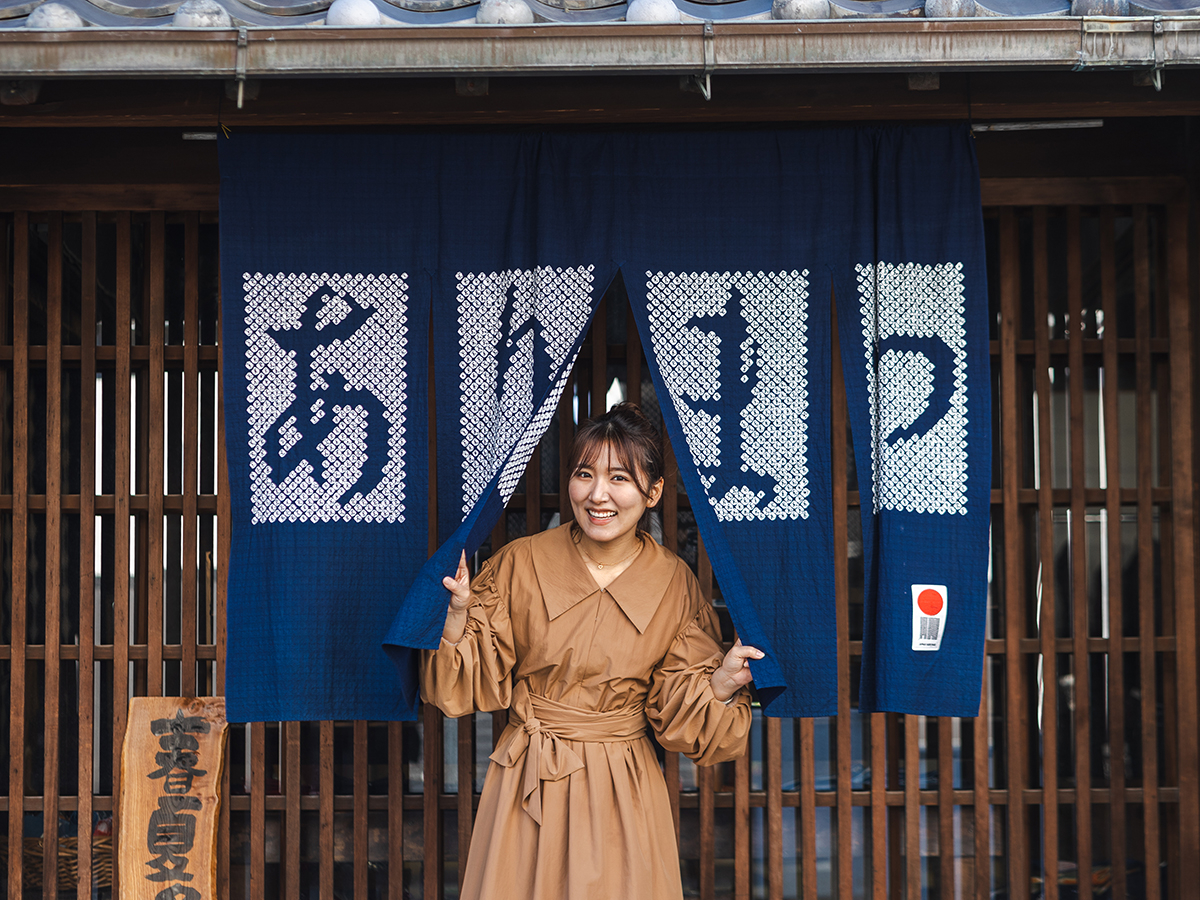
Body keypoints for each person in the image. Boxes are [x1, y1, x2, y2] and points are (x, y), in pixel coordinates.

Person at [421, 402, 763, 900]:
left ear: (654, 492)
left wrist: (721, 684)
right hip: (526, 778)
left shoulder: (674, 584)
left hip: (622, 787)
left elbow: (679, 717)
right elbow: (460, 683)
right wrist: (455, 622)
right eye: (585, 474)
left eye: (619, 478)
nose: (598, 494)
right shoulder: (521, 562)